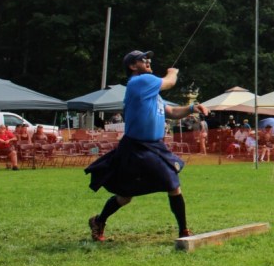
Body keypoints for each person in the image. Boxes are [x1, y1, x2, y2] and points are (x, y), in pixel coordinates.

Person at [85, 50, 209, 241]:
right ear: (133, 66)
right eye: (143, 59)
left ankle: (184, 231)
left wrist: (193, 107)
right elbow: (170, 82)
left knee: (172, 184)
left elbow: (173, 111)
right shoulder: (140, 82)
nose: (148, 61)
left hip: (154, 147)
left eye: (149, 58)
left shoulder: (152, 93)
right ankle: (99, 221)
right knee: (125, 196)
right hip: (136, 147)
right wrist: (173, 72)